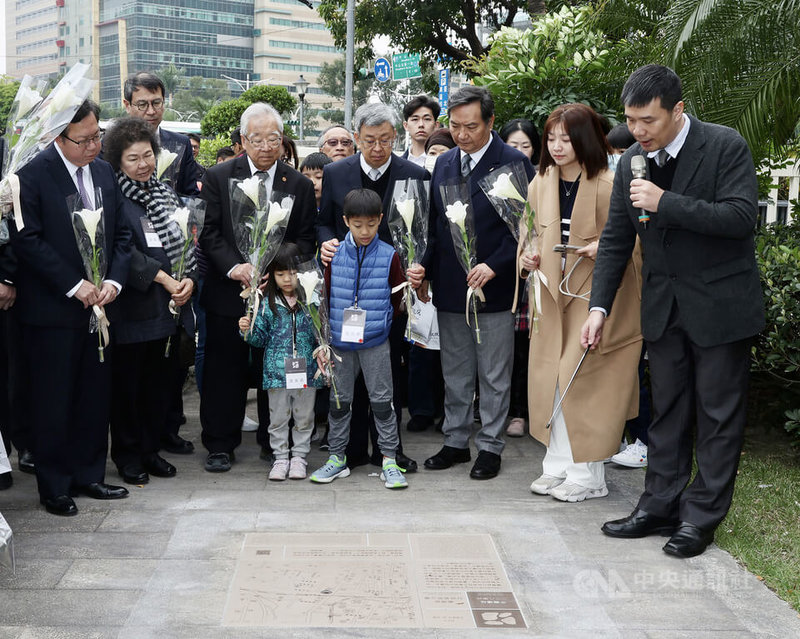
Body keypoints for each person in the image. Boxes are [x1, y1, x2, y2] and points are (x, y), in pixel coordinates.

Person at [583, 64, 764, 557]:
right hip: (663, 309)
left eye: (649, 121)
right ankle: (658, 504)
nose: (638, 132)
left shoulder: (724, 145)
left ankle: (700, 517)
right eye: (631, 121)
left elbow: (740, 218)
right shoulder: (631, 165)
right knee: (666, 413)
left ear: (677, 110)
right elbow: (618, 240)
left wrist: (666, 202)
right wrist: (598, 307)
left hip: (722, 307)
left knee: (717, 414)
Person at [11, 99, 132, 515]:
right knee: (54, 399)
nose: (94, 146)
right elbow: (28, 240)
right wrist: (73, 284)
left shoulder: (103, 172)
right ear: (58, 138)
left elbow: (121, 235)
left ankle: (90, 475)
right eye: (84, 140)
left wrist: (113, 281)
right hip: (53, 311)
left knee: (94, 396)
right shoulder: (31, 174)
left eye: (97, 136)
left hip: (100, 308)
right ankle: (55, 485)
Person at [517, 103, 642, 502]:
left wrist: (600, 247)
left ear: (584, 139)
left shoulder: (610, 181)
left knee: (584, 381)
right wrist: (528, 256)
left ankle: (589, 475)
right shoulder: (540, 182)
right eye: (550, 138)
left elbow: (634, 241)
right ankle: (557, 466)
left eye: (565, 139)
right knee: (552, 379)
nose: (556, 147)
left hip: (597, 298)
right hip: (553, 298)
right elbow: (528, 234)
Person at [421, 86, 534, 480]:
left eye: (471, 126)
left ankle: (490, 445)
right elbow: (434, 226)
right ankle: (455, 441)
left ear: (490, 122)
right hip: (452, 286)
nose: (462, 134)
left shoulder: (514, 163)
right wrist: (425, 273)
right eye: (454, 126)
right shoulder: (444, 163)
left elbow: (525, 230)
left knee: (493, 372)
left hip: (495, 287)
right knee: (455, 370)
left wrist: (497, 264)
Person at [199, 101, 316, 473]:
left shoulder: (296, 183)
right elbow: (210, 232)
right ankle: (220, 443)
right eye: (258, 139)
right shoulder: (219, 176)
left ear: (283, 141)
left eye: (274, 139)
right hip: (228, 291)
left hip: (279, 294)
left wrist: (276, 263)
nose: (266, 147)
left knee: (275, 367)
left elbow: (306, 238)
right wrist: (237, 267)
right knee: (224, 369)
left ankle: (273, 441)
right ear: (243, 141)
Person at [316, 102, 428, 473]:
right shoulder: (336, 172)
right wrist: (326, 242)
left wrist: (416, 264)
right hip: (347, 287)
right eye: (369, 140)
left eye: (384, 139)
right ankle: (347, 450)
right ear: (356, 137)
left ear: (396, 135)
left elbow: (422, 229)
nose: (377, 148)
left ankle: (390, 452)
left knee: (387, 375)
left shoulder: (413, 174)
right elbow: (324, 223)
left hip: (389, 290)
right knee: (346, 377)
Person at [102, 117, 197, 485]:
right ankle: (128, 455)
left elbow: (187, 241)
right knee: (129, 387)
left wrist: (188, 276)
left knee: (160, 385)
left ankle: (150, 450)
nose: (143, 164)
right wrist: (164, 278)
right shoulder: (114, 196)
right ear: (117, 161)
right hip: (133, 307)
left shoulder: (165, 192)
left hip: (169, 309)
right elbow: (120, 250)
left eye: (147, 156)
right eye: (133, 158)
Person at [310, 189, 415, 489]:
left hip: (375, 342)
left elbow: (399, 297)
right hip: (340, 345)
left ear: (381, 219)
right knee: (340, 402)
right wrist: (325, 339)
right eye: (357, 225)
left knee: (382, 402)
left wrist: (381, 323)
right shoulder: (331, 253)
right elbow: (322, 296)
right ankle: (337, 457)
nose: (365, 231)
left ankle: (389, 459)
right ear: (345, 222)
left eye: (371, 224)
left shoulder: (390, 255)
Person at [239, 243, 321, 481]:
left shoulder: (312, 303)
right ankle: (280, 457)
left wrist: (323, 350)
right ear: (272, 276)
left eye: (293, 273)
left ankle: (299, 457)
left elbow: (320, 335)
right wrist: (247, 329)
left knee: (304, 417)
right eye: (281, 273)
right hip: (276, 374)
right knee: (278, 418)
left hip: (306, 374)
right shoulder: (266, 305)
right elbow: (258, 340)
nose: (287, 279)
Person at [498, 118, 541, 438]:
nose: (520, 152)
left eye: (526, 145)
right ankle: (513, 412)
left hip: (540, 276)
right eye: (513, 145)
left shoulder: (544, 179)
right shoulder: (500, 183)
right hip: (511, 278)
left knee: (534, 351)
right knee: (510, 350)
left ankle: (531, 411)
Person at [122, 73, 201, 198]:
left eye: (156, 103)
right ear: (127, 105)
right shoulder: (112, 146)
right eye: (142, 105)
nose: (151, 111)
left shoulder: (181, 144)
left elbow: (191, 195)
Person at [402, 95, 440, 167]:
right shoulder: (395, 165)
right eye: (415, 119)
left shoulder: (444, 162)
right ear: (406, 126)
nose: (421, 125)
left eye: (427, 119)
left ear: (436, 125)